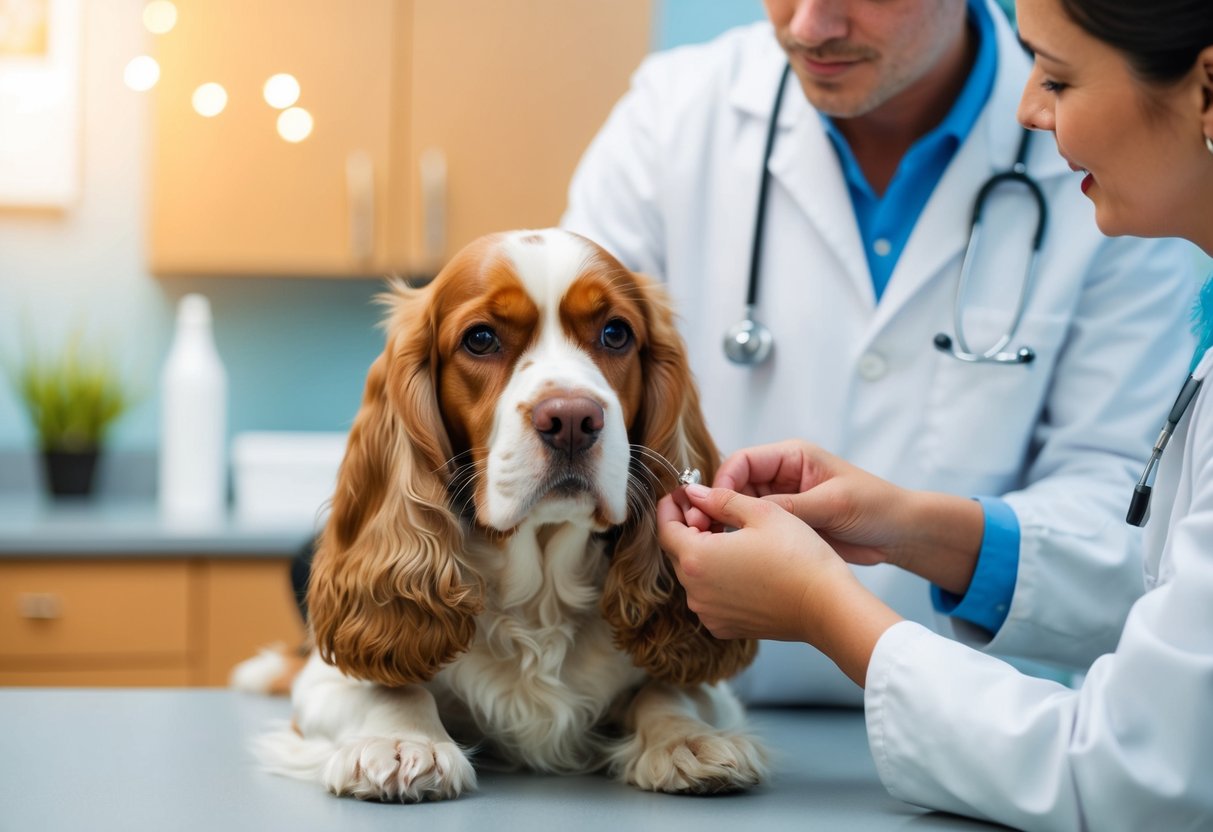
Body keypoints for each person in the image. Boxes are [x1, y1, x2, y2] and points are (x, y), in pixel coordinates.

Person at [657, 0, 1213, 824]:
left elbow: (1134, 770)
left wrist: (821, 605)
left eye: (1057, 77)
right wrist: (910, 528)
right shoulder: (675, 113)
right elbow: (1172, 579)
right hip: (719, 709)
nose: (1031, 108)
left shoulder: (1134, 226)